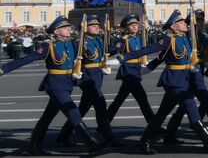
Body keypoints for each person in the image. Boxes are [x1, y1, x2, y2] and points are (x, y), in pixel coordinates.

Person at [120, 9, 208, 154]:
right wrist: (126, 57)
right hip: (174, 81)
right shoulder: (168, 40)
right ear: (173, 26)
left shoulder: (187, 38)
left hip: (185, 80)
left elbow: (196, 53)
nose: (184, 23)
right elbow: (151, 49)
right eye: (180, 22)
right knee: (192, 109)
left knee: (161, 114)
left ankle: (144, 141)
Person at [0, 16, 101, 155]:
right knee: (72, 110)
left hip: (67, 83)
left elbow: (86, 54)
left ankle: (34, 145)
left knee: (48, 116)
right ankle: (91, 143)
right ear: (56, 31)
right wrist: (3, 69)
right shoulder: (48, 45)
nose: (68, 29)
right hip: (55, 84)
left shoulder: (72, 44)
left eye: (69, 27)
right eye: (65, 28)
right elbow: (28, 59)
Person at [162, 10, 208, 145]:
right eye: (197, 21)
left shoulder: (203, 36)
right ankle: (167, 135)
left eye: (202, 21)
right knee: (183, 107)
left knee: (205, 103)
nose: (200, 23)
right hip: (186, 77)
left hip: (198, 76)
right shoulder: (188, 38)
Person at [56, 15, 123, 148]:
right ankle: (109, 137)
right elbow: (71, 57)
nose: (97, 27)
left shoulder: (98, 40)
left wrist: (121, 46)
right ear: (85, 28)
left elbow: (107, 51)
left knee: (83, 108)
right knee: (100, 104)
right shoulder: (80, 42)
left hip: (97, 77)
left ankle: (63, 136)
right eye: (93, 25)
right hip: (87, 78)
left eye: (98, 25)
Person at [105, 14, 155, 125]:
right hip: (128, 72)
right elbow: (114, 50)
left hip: (135, 70)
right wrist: (106, 52)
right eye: (131, 25)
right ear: (126, 28)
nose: (135, 27)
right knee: (142, 99)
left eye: (136, 24)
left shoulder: (138, 38)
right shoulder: (124, 40)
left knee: (119, 100)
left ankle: (105, 122)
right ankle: (153, 125)